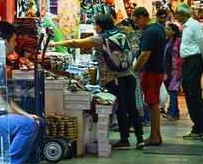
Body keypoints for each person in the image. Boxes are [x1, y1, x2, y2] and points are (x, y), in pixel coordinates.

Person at [52, 14, 145, 150]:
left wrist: (57, 43)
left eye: (96, 25)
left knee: (121, 108)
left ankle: (124, 140)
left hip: (114, 78)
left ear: (101, 26)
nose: (95, 27)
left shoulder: (100, 39)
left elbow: (75, 43)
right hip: (129, 75)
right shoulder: (121, 34)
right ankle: (140, 138)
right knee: (132, 107)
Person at [0, 21, 48, 164]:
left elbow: (6, 97)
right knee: (28, 126)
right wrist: (17, 116)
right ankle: (9, 163)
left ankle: (19, 159)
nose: (15, 45)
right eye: (14, 40)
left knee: (40, 123)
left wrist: (26, 115)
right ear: (4, 41)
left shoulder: (1, 62)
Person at [174, 4, 203, 141]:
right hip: (188, 62)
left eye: (177, 14)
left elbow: (202, 46)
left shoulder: (194, 25)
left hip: (194, 62)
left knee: (195, 95)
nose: (175, 16)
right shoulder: (186, 27)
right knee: (189, 94)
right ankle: (197, 127)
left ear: (182, 14)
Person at [131, 7, 166, 146]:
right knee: (154, 102)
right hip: (157, 69)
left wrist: (134, 70)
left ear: (141, 17)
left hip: (151, 70)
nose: (136, 25)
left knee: (152, 104)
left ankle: (154, 137)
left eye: (136, 22)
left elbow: (144, 55)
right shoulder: (158, 28)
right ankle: (157, 134)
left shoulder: (150, 32)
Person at [162, 23, 182, 120]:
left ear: (174, 31)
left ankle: (171, 111)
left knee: (173, 90)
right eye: (166, 29)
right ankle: (176, 112)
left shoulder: (179, 42)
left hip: (176, 69)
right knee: (172, 90)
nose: (167, 31)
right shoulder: (166, 42)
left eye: (169, 29)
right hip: (167, 69)